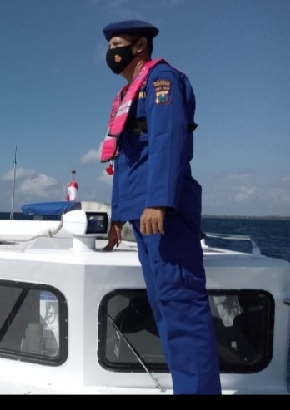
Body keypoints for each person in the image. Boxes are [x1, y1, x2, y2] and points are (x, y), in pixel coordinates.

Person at [99, 20, 222, 394]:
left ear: (139, 46)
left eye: (117, 44)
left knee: (182, 309)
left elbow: (168, 140)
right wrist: (118, 216)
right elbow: (128, 159)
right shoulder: (129, 93)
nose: (110, 52)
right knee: (166, 306)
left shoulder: (160, 80)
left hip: (163, 215)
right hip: (142, 215)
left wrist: (159, 201)